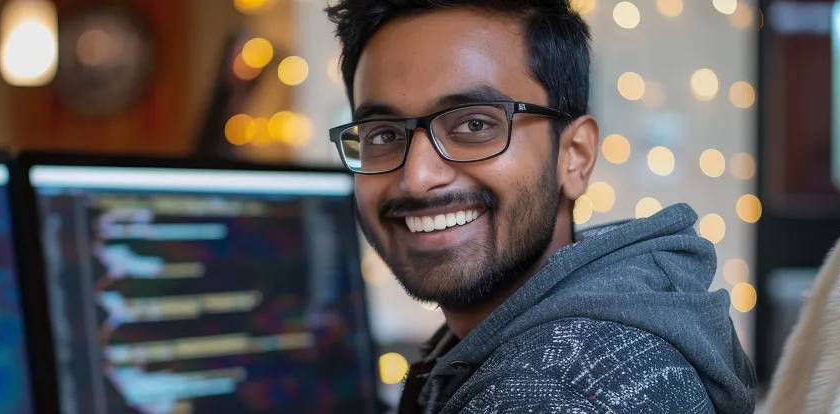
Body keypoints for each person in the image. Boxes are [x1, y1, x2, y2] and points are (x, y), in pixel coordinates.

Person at [323, 1, 758, 413]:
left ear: (575, 155)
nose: (417, 177)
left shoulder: (559, 391)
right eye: (382, 134)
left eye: (475, 124)